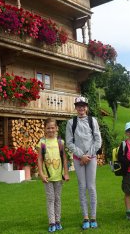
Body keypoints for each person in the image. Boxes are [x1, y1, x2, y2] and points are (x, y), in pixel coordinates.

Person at [65, 96, 102, 230]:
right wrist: (81, 155)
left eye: (83, 105)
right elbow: (69, 142)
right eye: (78, 105)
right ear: (75, 107)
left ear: (86, 107)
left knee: (91, 187)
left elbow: (98, 140)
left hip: (91, 158)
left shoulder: (93, 121)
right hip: (78, 158)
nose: (81, 108)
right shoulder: (71, 123)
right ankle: (85, 217)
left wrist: (88, 155)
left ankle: (93, 217)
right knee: (82, 187)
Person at [37, 118, 69, 233]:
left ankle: (58, 221)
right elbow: (40, 159)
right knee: (50, 199)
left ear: (56, 128)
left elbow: (64, 158)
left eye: (52, 127)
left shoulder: (60, 142)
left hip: (59, 176)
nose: (51, 130)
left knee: (58, 199)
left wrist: (66, 172)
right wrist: (41, 173)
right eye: (48, 128)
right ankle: (52, 222)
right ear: (45, 129)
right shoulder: (42, 142)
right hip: (47, 176)